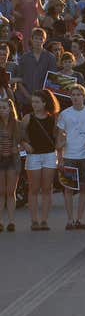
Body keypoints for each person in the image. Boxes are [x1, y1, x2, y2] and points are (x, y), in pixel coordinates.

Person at [57, 84, 85, 230]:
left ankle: (79, 219)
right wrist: (60, 157)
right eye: (73, 95)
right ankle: (70, 220)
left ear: (83, 96)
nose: (75, 97)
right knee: (68, 189)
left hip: (84, 156)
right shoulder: (65, 114)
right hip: (69, 156)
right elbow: (60, 137)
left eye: (78, 95)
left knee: (83, 189)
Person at [20, 90, 59, 231]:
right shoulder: (27, 118)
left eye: (37, 102)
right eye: (33, 102)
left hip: (49, 155)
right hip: (34, 156)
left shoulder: (53, 118)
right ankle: (34, 220)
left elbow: (57, 136)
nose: (34, 105)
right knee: (34, 188)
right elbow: (21, 136)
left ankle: (44, 220)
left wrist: (61, 145)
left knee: (47, 188)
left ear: (45, 102)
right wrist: (25, 144)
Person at [0, 99, 19, 232]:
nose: (2, 110)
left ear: (10, 109)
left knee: (10, 192)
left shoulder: (17, 124)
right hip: (1, 159)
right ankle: (0, 221)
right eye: (0, 108)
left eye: (4, 107)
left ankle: (11, 221)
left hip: (12, 160)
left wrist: (17, 148)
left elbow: (24, 141)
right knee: (1, 192)